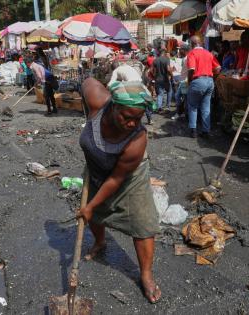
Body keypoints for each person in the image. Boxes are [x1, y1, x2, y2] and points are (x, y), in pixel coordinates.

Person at [79, 78, 160, 304]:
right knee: (94, 215)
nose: (133, 123)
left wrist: (91, 204)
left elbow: (116, 178)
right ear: (113, 106)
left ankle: (145, 274)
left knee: (142, 222)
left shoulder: (137, 139)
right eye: (127, 117)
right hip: (97, 167)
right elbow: (86, 81)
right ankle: (100, 242)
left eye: (138, 118)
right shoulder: (96, 99)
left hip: (128, 176)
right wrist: (85, 112)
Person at [187, 36, 221, 138]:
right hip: (209, 81)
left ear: (191, 44)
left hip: (197, 81)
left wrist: (189, 81)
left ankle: (193, 131)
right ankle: (206, 131)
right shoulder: (208, 53)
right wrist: (211, 75)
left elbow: (191, 69)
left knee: (193, 106)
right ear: (200, 43)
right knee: (206, 107)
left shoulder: (192, 53)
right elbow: (218, 68)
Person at [172, 45, 190, 120]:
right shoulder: (184, 59)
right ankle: (181, 112)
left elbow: (190, 71)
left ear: (184, 50)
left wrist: (187, 80)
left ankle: (183, 113)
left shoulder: (188, 58)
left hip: (186, 81)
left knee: (185, 98)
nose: (179, 52)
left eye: (180, 50)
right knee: (178, 96)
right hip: (182, 81)